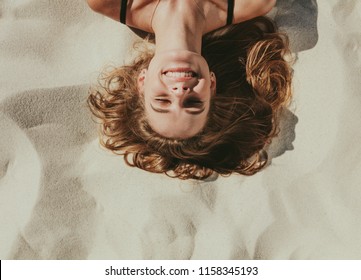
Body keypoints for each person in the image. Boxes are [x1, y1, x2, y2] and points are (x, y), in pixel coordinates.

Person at [87, 0, 293, 180]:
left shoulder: (109, 1)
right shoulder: (251, 2)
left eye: (162, 101)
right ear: (212, 84)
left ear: (142, 81)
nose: (179, 91)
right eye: (193, 103)